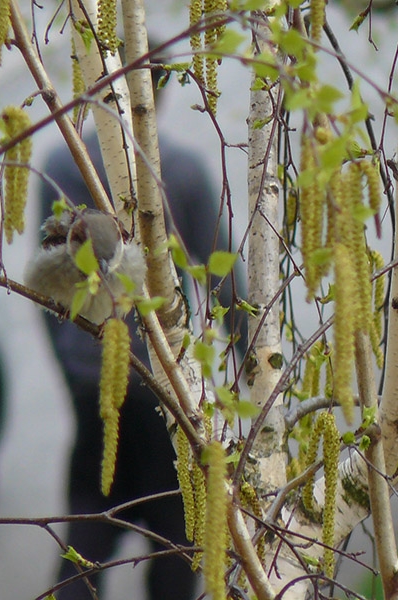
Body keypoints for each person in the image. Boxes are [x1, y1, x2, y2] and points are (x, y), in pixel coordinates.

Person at [37, 108, 244, 600]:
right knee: (179, 538)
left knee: (86, 534)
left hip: (93, 385)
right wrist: (253, 374)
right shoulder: (180, 173)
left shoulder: (61, 168)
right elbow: (227, 286)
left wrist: (74, 371)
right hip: (162, 388)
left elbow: (48, 292)